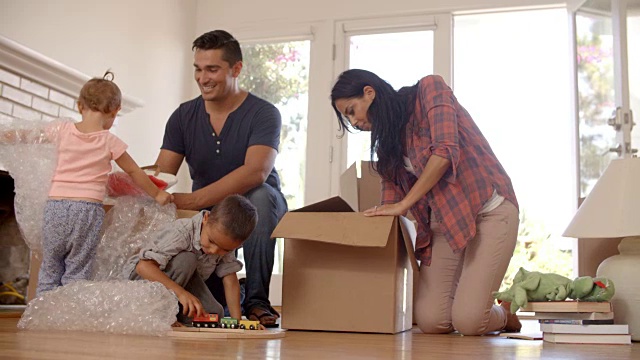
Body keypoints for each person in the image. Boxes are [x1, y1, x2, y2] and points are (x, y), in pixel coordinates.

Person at [330, 69, 522, 336]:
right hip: (447, 221)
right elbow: (390, 201)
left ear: (369, 93)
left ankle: (504, 314)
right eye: (347, 117)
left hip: (490, 210)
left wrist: (403, 204)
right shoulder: (387, 144)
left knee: (469, 321)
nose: (353, 121)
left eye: (352, 110)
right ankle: (471, 305)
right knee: (432, 322)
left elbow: (445, 151)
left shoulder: (430, 90)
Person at [155, 30, 287, 327]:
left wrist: (193, 199)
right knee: (217, 307)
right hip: (209, 215)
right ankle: (229, 298)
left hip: (255, 205)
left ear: (236, 69)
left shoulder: (264, 113)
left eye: (212, 69)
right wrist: (129, 176)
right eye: (198, 70)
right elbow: (163, 174)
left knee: (261, 196)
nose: (203, 78)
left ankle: (257, 301)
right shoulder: (183, 116)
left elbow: (256, 172)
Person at [15, 71, 173, 295]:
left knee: (50, 266)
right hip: (86, 210)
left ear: (80, 106)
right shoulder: (110, 141)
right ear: (114, 111)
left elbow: (27, 135)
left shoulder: (61, 130)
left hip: (55, 208)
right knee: (77, 269)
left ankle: (42, 314)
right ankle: (69, 316)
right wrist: (157, 194)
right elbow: (134, 172)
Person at [124, 194, 258, 324]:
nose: (214, 251)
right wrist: (181, 293)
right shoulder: (181, 232)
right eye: (211, 241)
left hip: (180, 285)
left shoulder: (224, 243)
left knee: (215, 314)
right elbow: (143, 267)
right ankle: (159, 312)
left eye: (225, 250)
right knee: (187, 259)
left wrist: (238, 321)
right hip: (142, 281)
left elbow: (230, 278)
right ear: (206, 218)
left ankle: (173, 314)